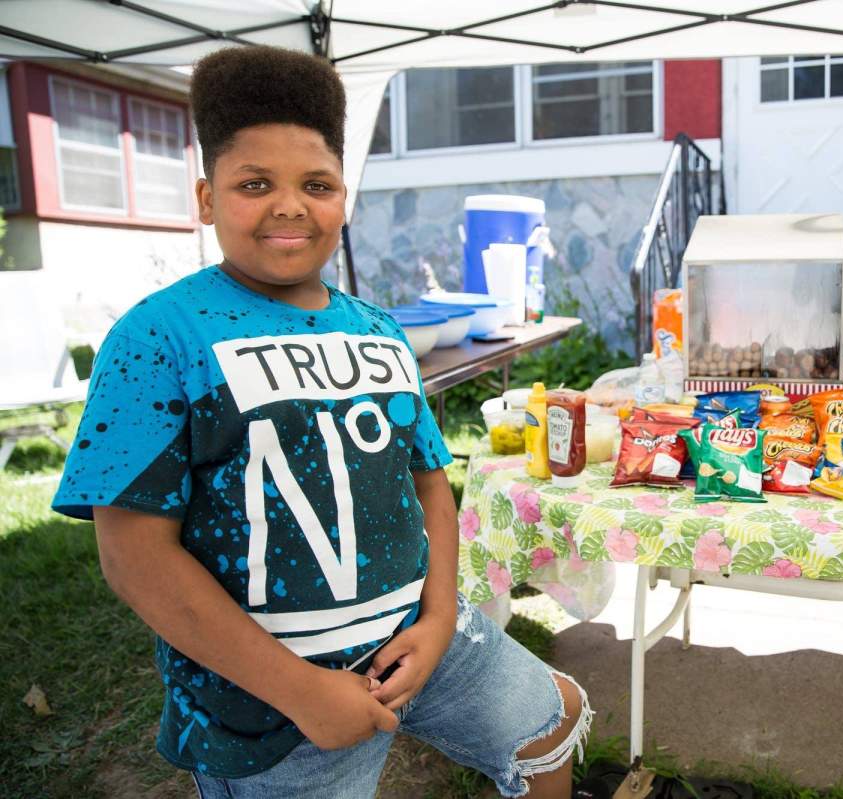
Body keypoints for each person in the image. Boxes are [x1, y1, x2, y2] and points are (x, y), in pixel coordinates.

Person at [52, 45, 590, 799]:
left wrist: (437, 621)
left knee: (549, 716)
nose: (288, 205)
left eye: (316, 183)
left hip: (421, 641)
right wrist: (302, 691)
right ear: (206, 198)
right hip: (271, 702)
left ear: (344, 196)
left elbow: (431, 485)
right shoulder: (159, 336)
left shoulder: (379, 330)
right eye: (253, 183)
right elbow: (136, 557)